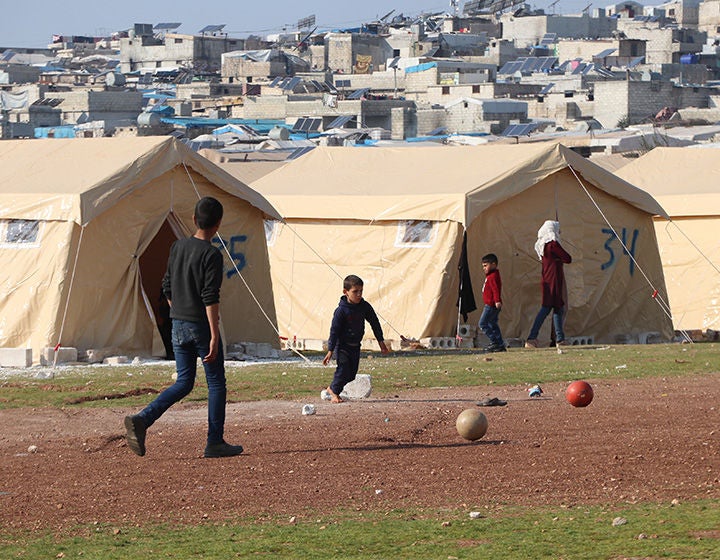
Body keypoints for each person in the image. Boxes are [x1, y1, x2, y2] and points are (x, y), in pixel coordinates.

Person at [124, 196, 244, 458]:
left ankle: (143, 419)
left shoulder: (177, 247)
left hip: (178, 324)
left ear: (193, 219)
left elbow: (167, 286)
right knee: (216, 383)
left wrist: (178, 310)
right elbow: (210, 296)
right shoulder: (211, 254)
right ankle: (215, 442)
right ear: (219, 224)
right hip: (200, 325)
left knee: (184, 382)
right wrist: (214, 334)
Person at [322, 275, 389, 403]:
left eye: (361, 291)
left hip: (355, 345)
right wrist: (330, 350)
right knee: (343, 369)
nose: (359, 294)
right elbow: (334, 331)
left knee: (351, 374)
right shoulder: (340, 311)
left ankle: (332, 388)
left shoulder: (364, 307)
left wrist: (381, 342)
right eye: (355, 291)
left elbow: (374, 323)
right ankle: (334, 392)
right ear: (345, 292)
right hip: (342, 346)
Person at [525, 220, 572, 348]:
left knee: (557, 308)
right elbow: (568, 258)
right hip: (553, 281)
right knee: (547, 309)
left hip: (550, 279)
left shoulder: (545, 246)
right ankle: (532, 337)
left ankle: (559, 339)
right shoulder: (552, 245)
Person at [478, 253, 505, 352]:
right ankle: (500, 344)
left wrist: (497, 300)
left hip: (491, 305)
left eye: (486, 266)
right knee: (492, 323)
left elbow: (495, 289)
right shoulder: (491, 275)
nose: (484, 268)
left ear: (493, 264)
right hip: (491, 304)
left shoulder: (493, 276)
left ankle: (495, 342)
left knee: (482, 323)